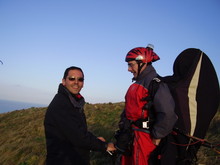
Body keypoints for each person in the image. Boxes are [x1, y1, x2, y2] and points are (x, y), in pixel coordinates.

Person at [117, 44, 177, 165]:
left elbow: (168, 113)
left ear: (142, 63)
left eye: (131, 64)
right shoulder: (137, 84)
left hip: (146, 139)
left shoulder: (156, 84)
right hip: (131, 136)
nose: (128, 69)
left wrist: (157, 135)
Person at [44, 66, 116, 165]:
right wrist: (105, 146)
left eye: (80, 79)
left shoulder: (72, 102)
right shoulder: (62, 104)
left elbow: (76, 130)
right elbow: (79, 137)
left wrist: (95, 140)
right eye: (72, 78)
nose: (76, 82)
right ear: (64, 81)